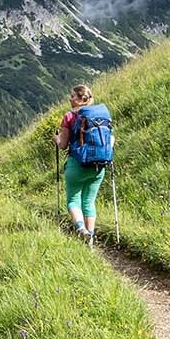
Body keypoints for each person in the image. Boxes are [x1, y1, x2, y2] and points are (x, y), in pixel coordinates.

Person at [54, 84, 111, 239]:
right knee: (89, 202)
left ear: (81, 99)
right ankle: (90, 237)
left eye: (73, 96)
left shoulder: (69, 117)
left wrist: (57, 139)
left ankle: (81, 230)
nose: (70, 98)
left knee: (73, 200)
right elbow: (110, 139)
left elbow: (63, 145)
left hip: (77, 164)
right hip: (99, 166)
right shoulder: (101, 116)